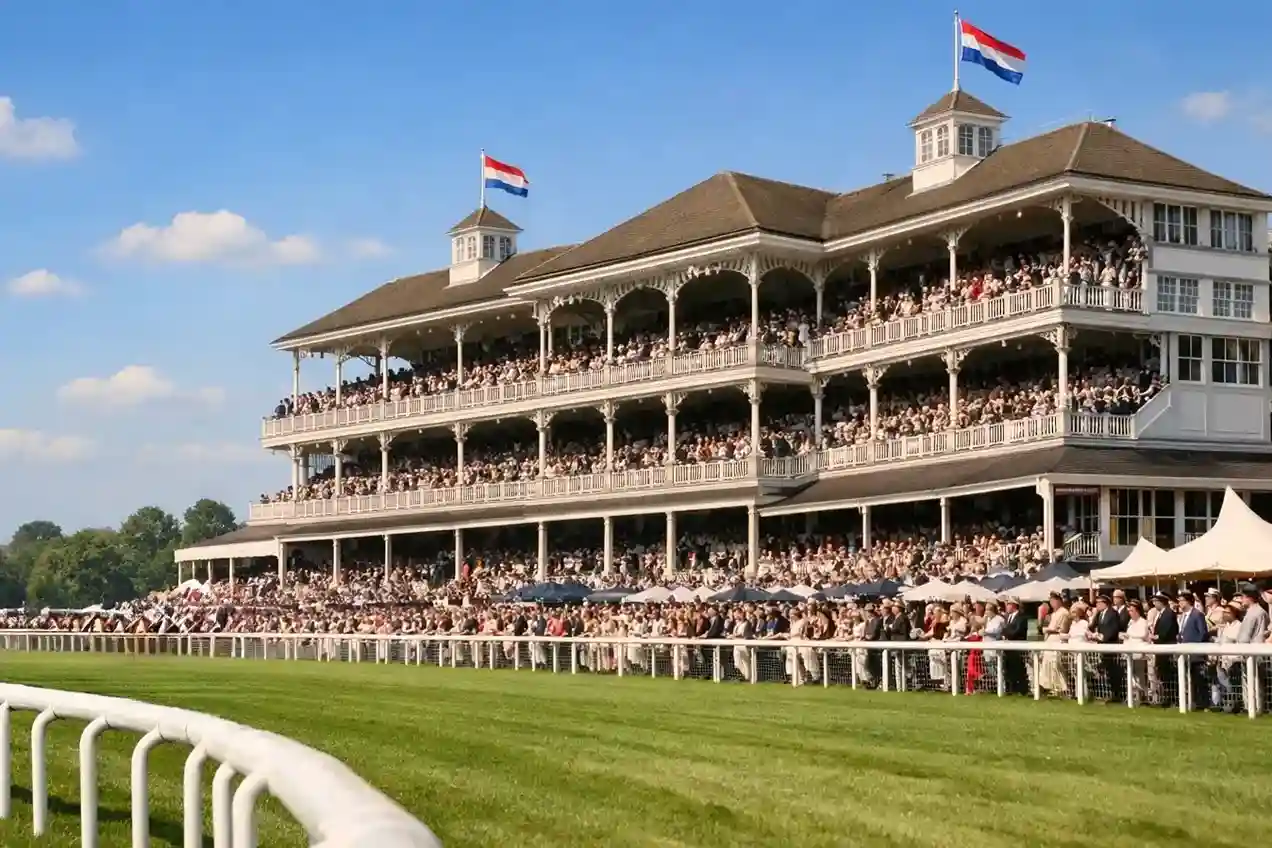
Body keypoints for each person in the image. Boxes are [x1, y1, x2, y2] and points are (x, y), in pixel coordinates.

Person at [1176, 591, 1208, 711]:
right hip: (1185, 653)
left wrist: (1195, 646)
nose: (1179, 603)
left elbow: (1203, 633)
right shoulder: (1183, 616)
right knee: (1189, 680)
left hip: (1196, 654)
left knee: (1199, 680)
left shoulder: (1197, 615)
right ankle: (1192, 702)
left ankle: (1203, 704)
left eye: (1181, 600)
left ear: (1188, 601)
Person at [1092, 594, 1126, 704]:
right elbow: (1093, 625)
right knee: (1107, 671)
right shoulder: (1099, 614)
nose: (1097, 605)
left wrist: (1104, 637)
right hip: (1103, 646)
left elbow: (1114, 629)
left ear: (1105, 603)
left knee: (1113, 671)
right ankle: (1111, 694)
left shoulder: (1113, 613)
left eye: (1098, 602)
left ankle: (1117, 695)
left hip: (1111, 646)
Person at [1149, 592, 1179, 708]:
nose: (1154, 603)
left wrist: (1156, 637)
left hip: (1166, 649)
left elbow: (1165, 633)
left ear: (1162, 601)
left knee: (1168, 676)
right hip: (1161, 649)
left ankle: (1171, 699)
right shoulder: (1161, 614)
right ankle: (1166, 698)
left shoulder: (1168, 614)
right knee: (1163, 676)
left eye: (1156, 601)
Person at [1000, 598, 1029, 695]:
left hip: (1018, 647)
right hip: (1009, 647)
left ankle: (1022, 689)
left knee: (1018, 669)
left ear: (1014, 605)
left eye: (1008, 604)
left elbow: (1016, 631)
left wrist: (1005, 633)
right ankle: (1012, 689)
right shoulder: (1008, 617)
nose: (1006, 606)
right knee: (1009, 669)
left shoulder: (1021, 617)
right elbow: (1004, 630)